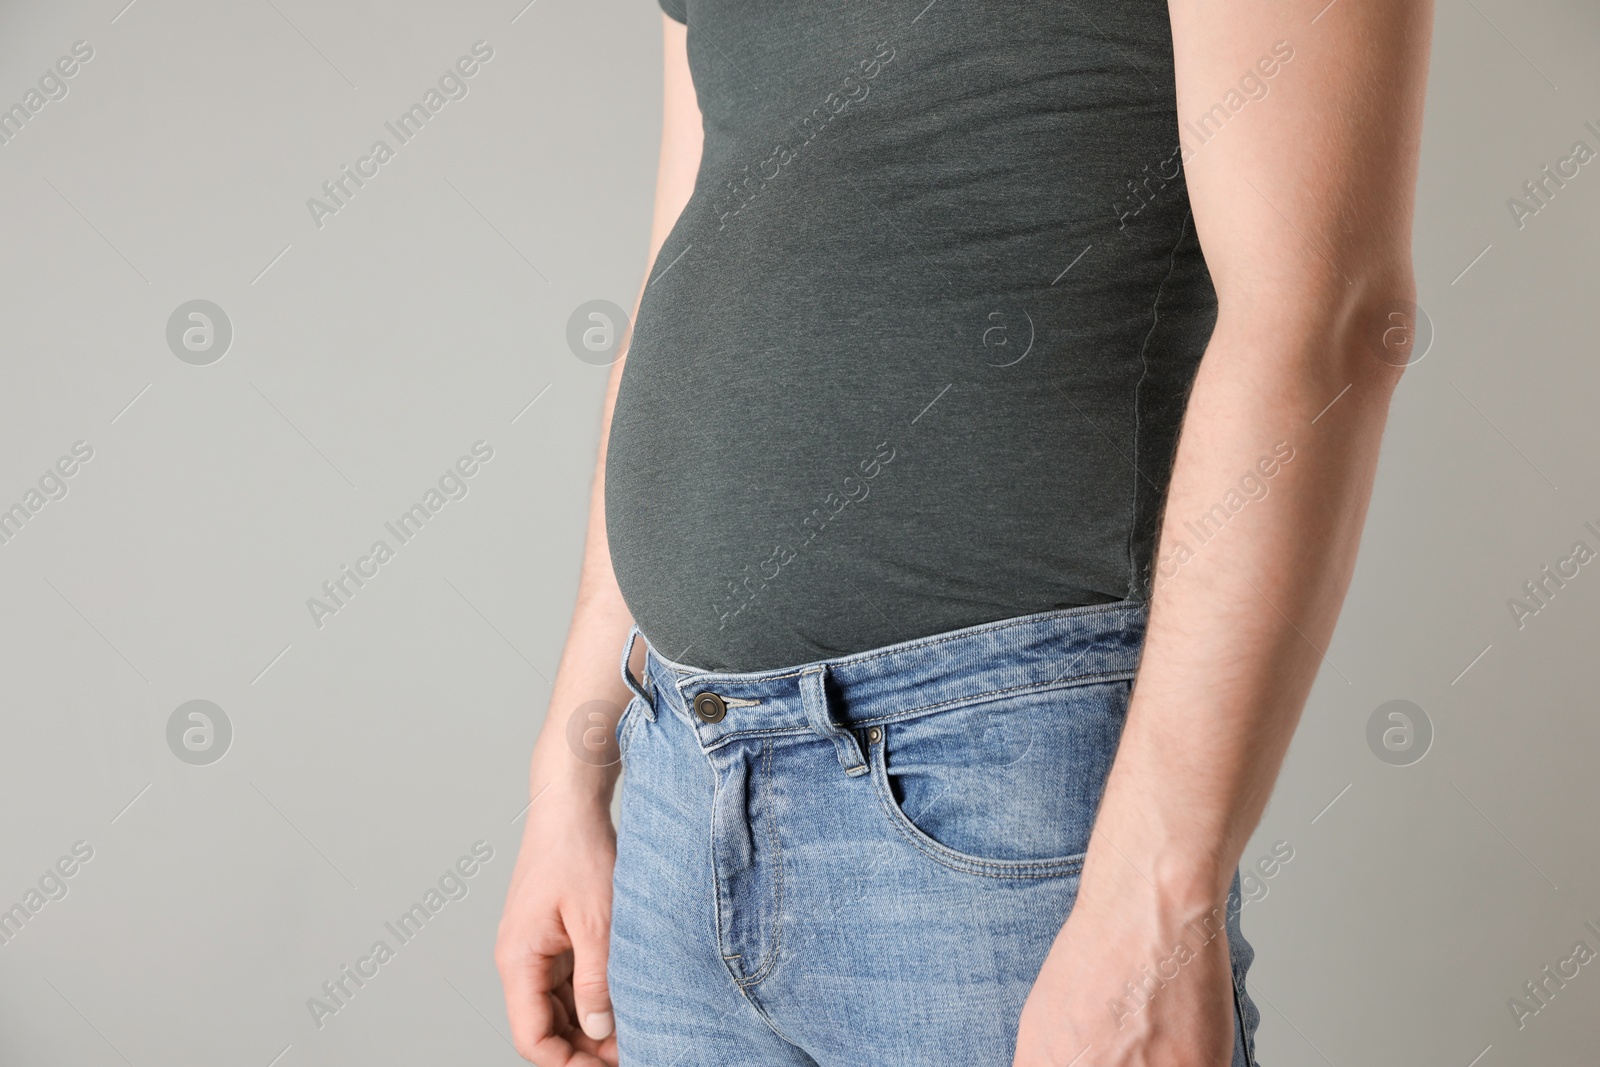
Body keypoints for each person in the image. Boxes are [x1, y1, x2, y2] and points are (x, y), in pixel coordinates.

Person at [496, 0, 1433, 1062]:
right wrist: (572, 766)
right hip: (677, 768)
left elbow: (1327, 313)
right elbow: (699, 233)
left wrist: (1159, 900)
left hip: (992, 786)